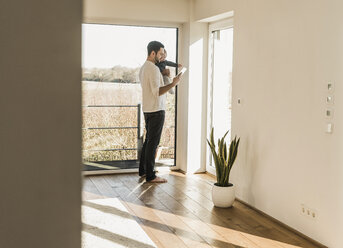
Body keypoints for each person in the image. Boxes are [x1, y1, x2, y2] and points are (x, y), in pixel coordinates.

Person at [139, 41, 182, 183]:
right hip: (156, 109)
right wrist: (174, 83)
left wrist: (167, 78)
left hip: (148, 109)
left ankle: (144, 170)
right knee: (153, 143)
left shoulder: (143, 68)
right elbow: (157, 92)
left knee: (148, 141)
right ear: (153, 53)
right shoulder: (153, 69)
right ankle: (151, 176)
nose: (163, 56)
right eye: (161, 53)